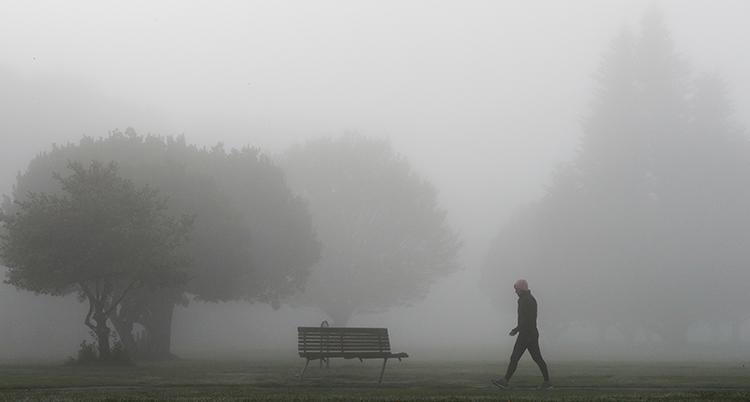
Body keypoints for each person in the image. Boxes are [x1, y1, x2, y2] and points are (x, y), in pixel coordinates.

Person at [492, 279, 552, 390]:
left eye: (517, 289)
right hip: (526, 333)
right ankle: (547, 382)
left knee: (525, 358)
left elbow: (528, 319)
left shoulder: (529, 301)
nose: (515, 292)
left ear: (522, 289)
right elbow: (524, 319)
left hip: (528, 335)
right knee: (527, 358)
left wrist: (516, 329)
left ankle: (505, 382)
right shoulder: (523, 300)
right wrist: (518, 329)